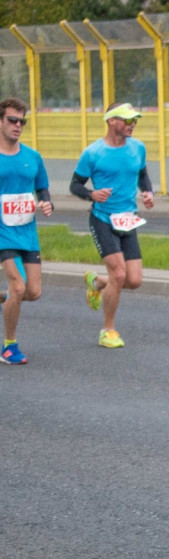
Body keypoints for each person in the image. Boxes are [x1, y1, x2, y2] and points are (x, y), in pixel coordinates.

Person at [70, 102, 155, 349]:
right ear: (111, 121)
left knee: (134, 280)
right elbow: (75, 185)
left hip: (127, 220)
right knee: (118, 274)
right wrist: (91, 195)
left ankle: (97, 283)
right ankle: (107, 329)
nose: (132, 124)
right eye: (127, 120)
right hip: (102, 219)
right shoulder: (93, 153)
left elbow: (142, 175)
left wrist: (148, 192)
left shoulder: (138, 147)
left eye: (134, 120)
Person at [0, 97, 53, 365]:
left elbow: (42, 188)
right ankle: (9, 347)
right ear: (0, 121)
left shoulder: (33, 157)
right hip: (2, 233)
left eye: (22, 121)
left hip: (27, 231)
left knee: (32, 292)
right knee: (17, 287)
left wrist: (46, 202)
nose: (18, 125)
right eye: (12, 120)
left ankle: (5, 298)